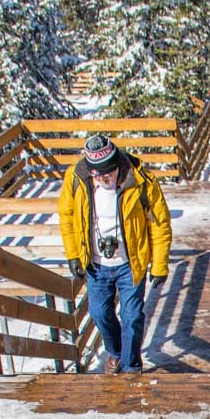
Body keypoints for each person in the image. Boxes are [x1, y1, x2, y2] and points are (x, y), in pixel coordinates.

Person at [59, 135, 172, 374]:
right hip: (95, 263)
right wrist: (73, 254)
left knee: (131, 317)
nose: (102, 178)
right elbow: (67, 217)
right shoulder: (76, 180)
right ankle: (117, 352)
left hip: (130, 262)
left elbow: (159, 224)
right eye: (96, 174)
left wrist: (159, 265)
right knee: (100, 314)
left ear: (117, 165)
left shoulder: (141, 182)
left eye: (107, 173)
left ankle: (131, 367)